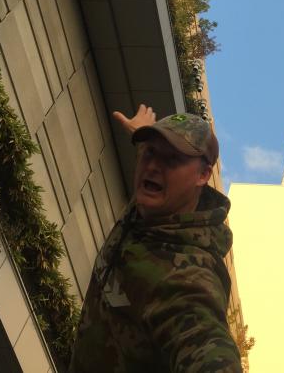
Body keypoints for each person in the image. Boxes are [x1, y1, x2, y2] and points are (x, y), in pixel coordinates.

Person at [69, 110, 242, 373]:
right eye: (150, 152)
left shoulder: (186, 276)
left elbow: (208, 348)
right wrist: (143, 131)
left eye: (172, 159)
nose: (152, 166)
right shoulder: (150, 210)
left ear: (203, 175)